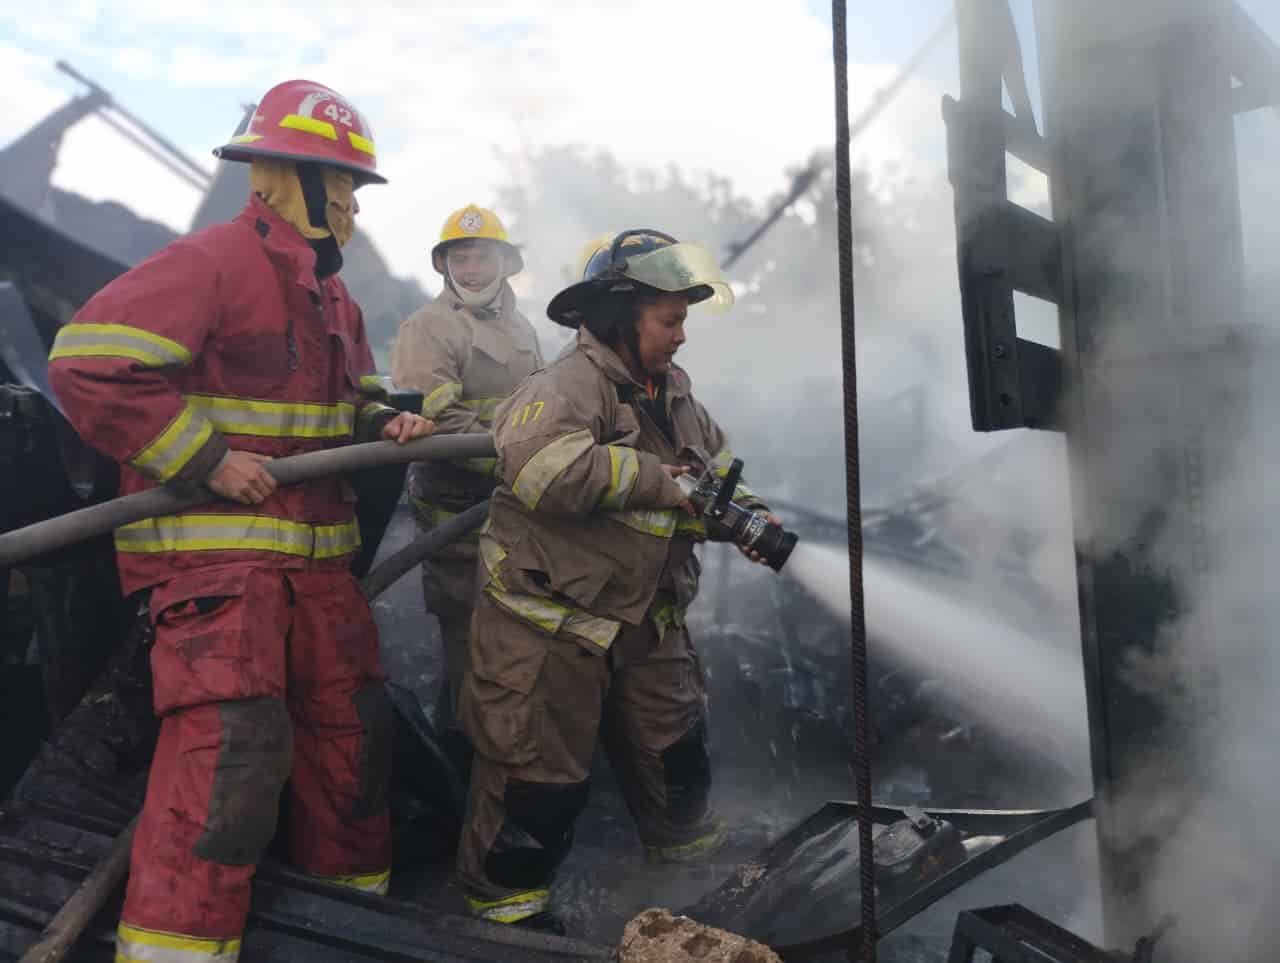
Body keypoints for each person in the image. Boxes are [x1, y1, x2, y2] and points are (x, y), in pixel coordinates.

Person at [47, 79, 433, 963]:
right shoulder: (213, 265)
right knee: (233, 766)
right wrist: (207, 457)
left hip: (321, 580)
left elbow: (357, 399)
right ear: (267, 177)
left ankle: (347, 934)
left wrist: (387, 423)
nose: (343, 202)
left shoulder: (335, 300)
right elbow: (87, 361)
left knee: (353, 754)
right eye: (327, 181)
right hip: (221, 578)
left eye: (351, 187)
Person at [454, 229, 778, 931]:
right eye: (670, 320)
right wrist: (662, 481)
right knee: (537, 782)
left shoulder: (678, 396)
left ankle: (682, 858)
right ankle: (504, 911)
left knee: (676, 752)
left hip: (647, 619)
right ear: (619, 317)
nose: (682, 335)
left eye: (684, 318)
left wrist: (745, 516)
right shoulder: (566, 386)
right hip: (551, 626)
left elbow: (713, 475)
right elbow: (544, 470)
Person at [390, 205, 543, 763]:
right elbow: (441, 426)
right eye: (460, 256)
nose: (472, 267)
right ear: (443, 264)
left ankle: (500, 756)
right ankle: (469, 774)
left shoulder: (520, 326)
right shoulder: (428, 329)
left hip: (516, 508)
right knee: (471, 644)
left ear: (505, 261)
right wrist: (530, 463)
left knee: (515, 642)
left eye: (482, 255)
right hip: (456, 519)